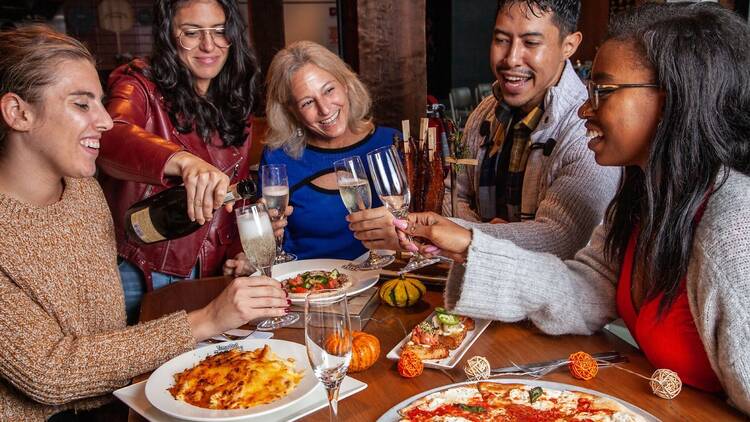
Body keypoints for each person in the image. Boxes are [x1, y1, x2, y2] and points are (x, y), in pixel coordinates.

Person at [395, 2, 750, 414]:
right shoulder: (640, 199)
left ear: (673, 101)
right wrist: (467, 246)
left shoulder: (732, 225)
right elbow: (586, 292)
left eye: (602, 91)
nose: (585, 107)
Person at [0, 25, 288, 421]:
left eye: (101, 103)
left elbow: (107, 328)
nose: (104, 121)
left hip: (118, 397)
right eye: (82, 104)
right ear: (18, 112)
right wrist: (207, 319)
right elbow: (52, 373)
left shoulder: (82, 190)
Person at [348, 0, 619, 261]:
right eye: (501, 39)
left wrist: (473, 236)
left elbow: (559, 239)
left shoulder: (587, 127)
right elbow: (453, 199)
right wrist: (491, 233)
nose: (511, 59)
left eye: (531, 43)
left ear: (569, 45)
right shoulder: (485, 112)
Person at [97, 0, 288, 324]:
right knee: (142, 369)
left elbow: (233, 198)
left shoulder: (234, 98)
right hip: (142, 265)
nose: (209, 45)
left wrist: (238, 252)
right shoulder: (139, 84)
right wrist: (182, 161)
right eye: (191, 33)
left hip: (209, 270)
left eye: (219, 31)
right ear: (169, 36)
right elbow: (110, 136)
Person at [261, 40, 400, 260]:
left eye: (329, 90)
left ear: (345, 84)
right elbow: (272, 244)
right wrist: (266, 233)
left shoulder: (391, 143)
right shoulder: (278, 158)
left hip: (385, 278)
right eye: (307, 102)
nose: (325, 110)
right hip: (310, 285)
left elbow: (422, 228)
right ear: (291, 111)